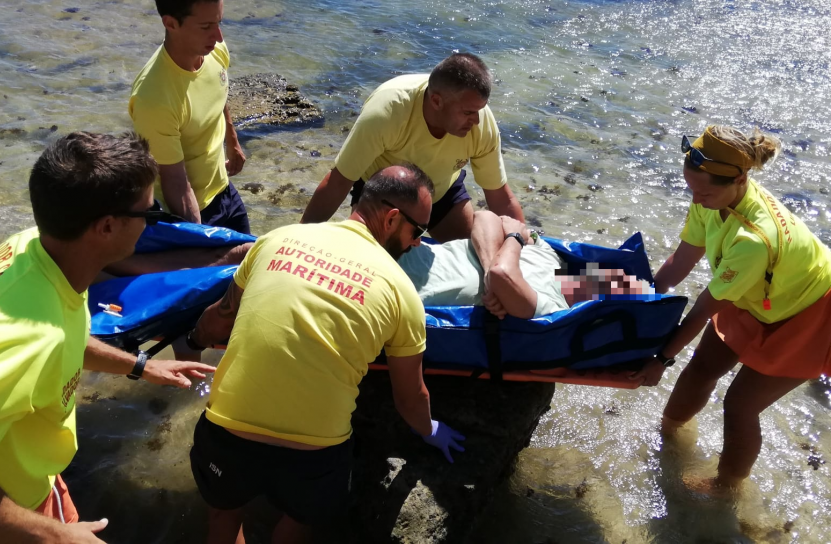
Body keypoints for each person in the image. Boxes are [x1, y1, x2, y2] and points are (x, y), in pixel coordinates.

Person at [185, 164, 464, 543]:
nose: (418, 243)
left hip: (227, 435)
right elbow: (409, 396)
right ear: (392, 218)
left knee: (223, 512)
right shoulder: (402, 292)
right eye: (418, 232)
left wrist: (194, 340)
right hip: (312, 457)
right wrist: (429, 429)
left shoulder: (276, 239)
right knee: (302, 518)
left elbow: (221, 318)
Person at [0, 132, 216, 542]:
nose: (154, 222)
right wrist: (53, 535)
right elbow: (42, 341)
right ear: (106, 226)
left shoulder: (35, 247)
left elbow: (66, 335)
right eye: (149, 215)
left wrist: (140, 365)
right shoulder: (27, 341)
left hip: (33, 470)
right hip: (20, 506)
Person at [643, 125, 831, 492]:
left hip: (812, 308)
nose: (696, 200)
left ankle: (725, 489)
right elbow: (680, 263)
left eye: (704, 192)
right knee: (702, 367)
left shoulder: (753, 241)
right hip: (757, 288)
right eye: (691, 189)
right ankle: (666, 434)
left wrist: (661, 359)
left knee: (740, 405)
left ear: (741, 179)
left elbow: (702, 310)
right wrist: (639, 300)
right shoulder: (710, 196)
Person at [300, 53, 524, 242]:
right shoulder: (388, 112)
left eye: (479, 110)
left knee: (476, 255)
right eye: (467, 112)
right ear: (436, 101)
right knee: (369, 268)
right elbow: (339, 181)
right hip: (385, 198)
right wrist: (300, 239)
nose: (476, 121)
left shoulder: (481, 123)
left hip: (440, 193)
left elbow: (501, 198)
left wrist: (527, 246)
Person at [129, 0, 251, 234]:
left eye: (219, 23)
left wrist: (232, 140)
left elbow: (218, 89)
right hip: (186, 210)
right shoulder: (154, 98)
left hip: (224, 190)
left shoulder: (213, 50)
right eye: (206, 27)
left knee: (249, 265)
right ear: (171, 23)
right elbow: (175, 182)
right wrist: (198, 237)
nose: (217, 37)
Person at [399, 210, 651, 319]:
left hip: (401, 285)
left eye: (620, 286)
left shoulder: (552, 310)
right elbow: (485, 217)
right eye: (620, 275)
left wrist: (512, 241)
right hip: (407, 249)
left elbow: (502, 274)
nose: (611, 277)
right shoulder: (551, 255)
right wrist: (509, 245)